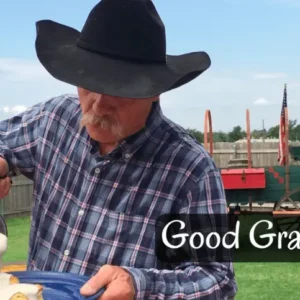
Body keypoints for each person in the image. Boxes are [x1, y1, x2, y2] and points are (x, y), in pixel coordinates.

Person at [0, 0, 237, 299]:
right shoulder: (53, 119)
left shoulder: (191, 171)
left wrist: (138, 285)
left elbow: (216, 278)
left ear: (154, 91)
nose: (97, 104)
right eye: (87, 83)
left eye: (117, 90)